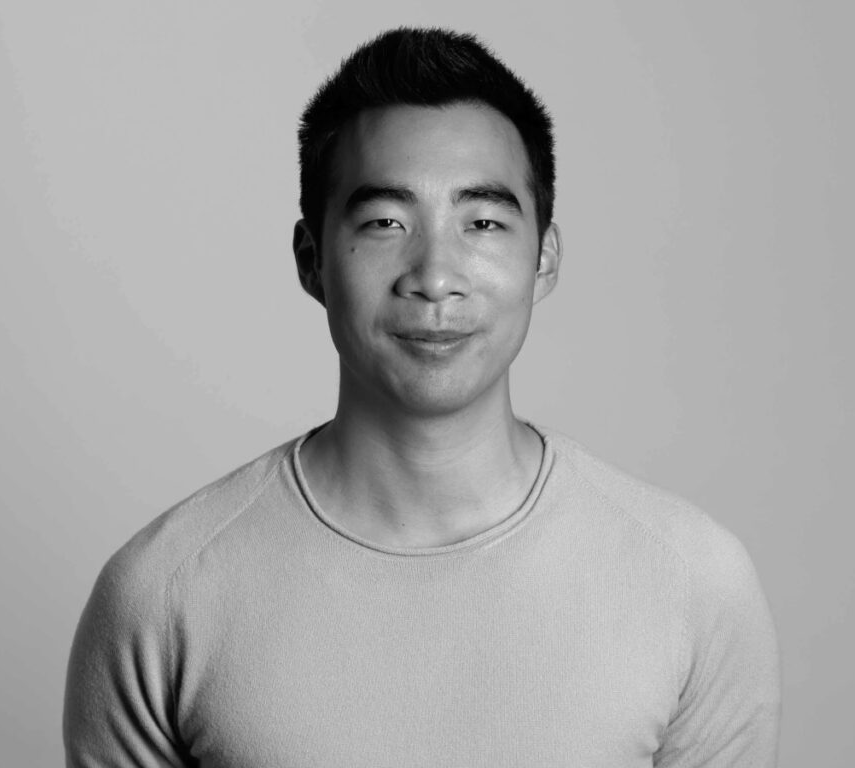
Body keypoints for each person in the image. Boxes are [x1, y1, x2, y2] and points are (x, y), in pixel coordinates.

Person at [63, 27, 780, 767]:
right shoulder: (163, 594)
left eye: (483, 223)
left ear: (544, 258)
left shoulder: (691, 582)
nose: (435, 276)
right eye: (385, 223)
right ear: (312, 261)